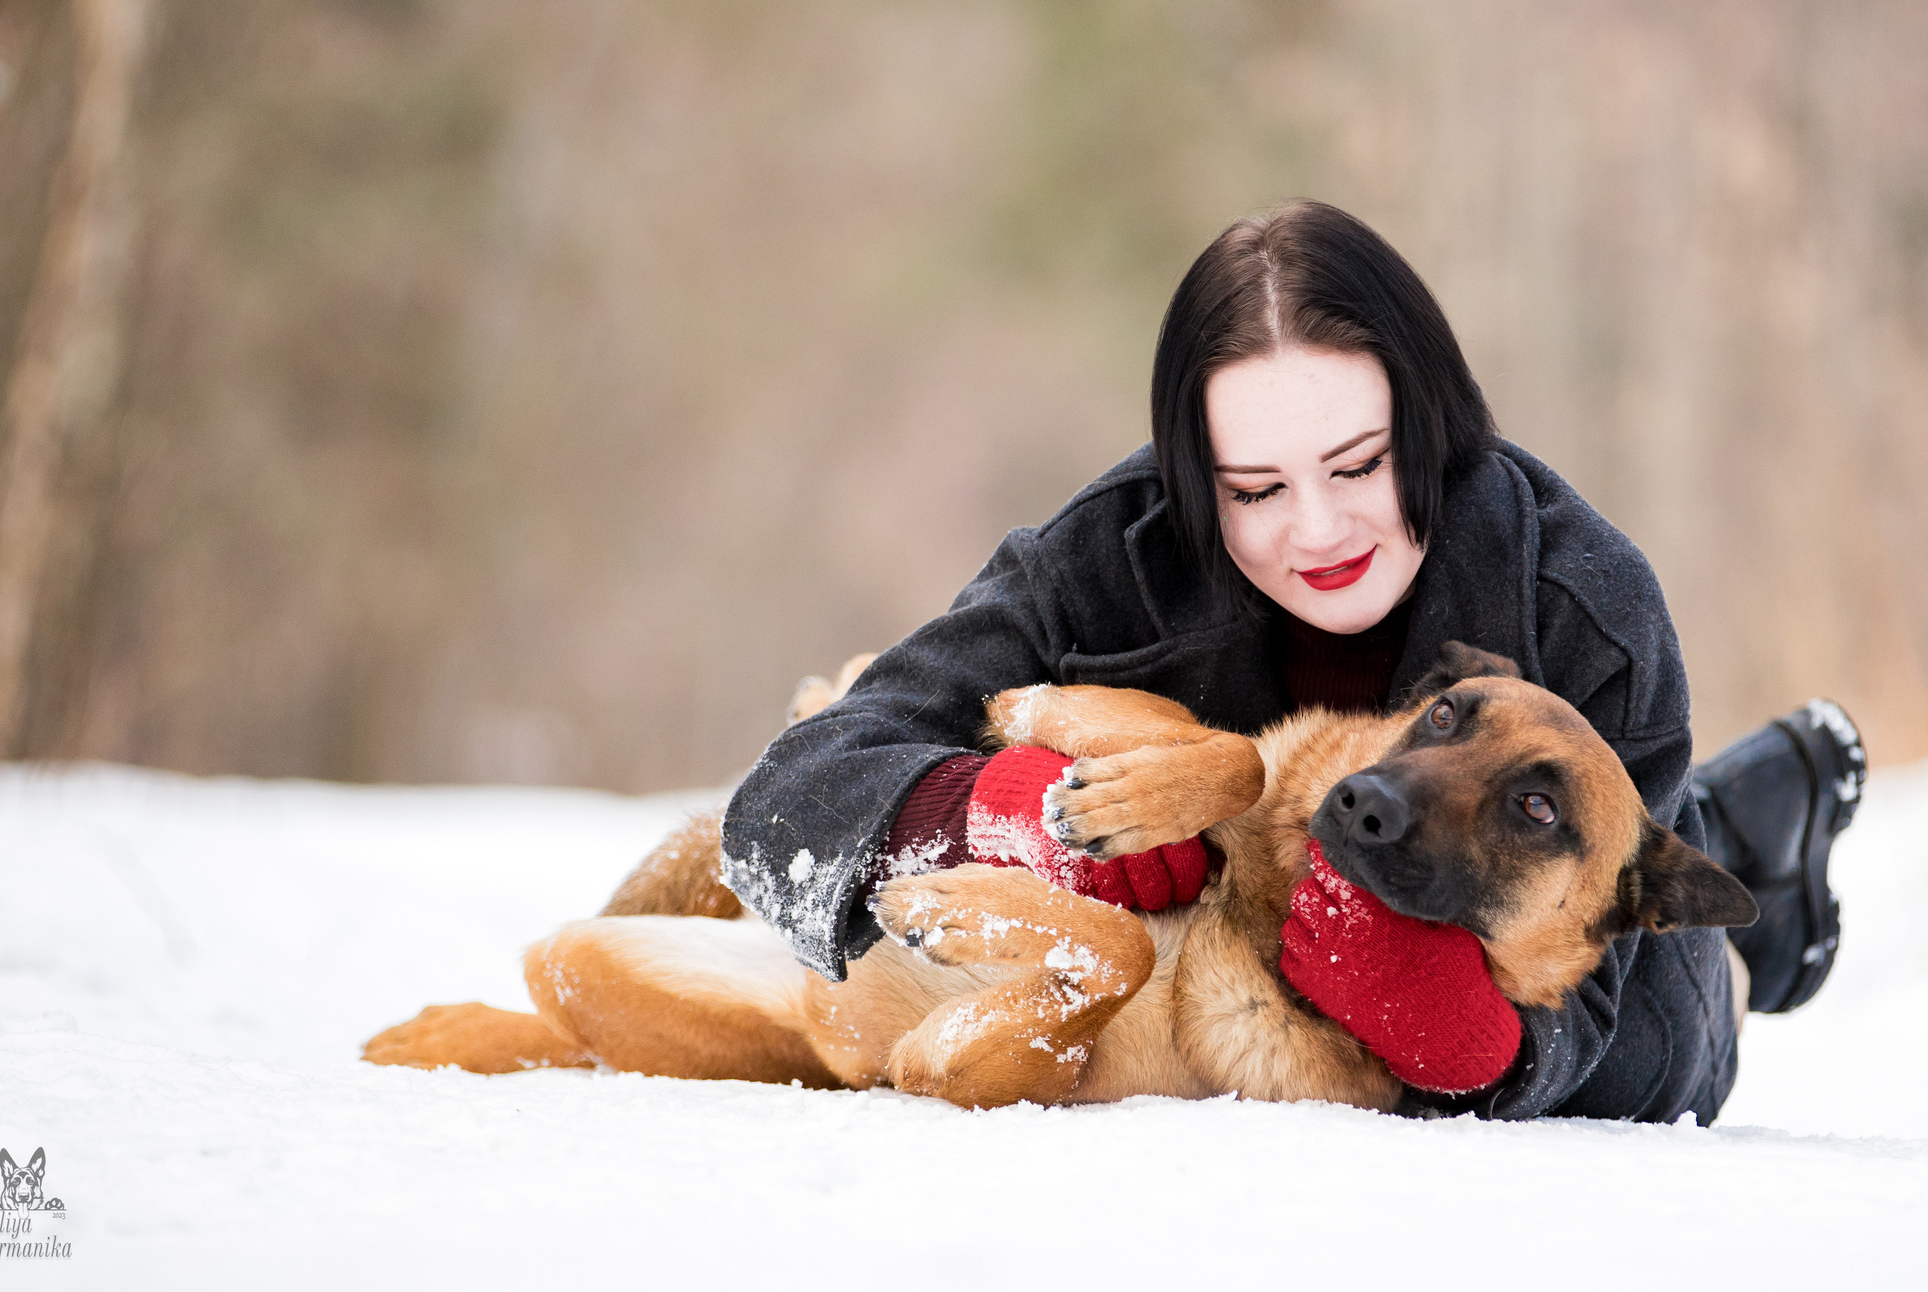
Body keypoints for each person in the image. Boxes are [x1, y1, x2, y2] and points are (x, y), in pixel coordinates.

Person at [723, 200, 1862, 1122]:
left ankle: (1750, 861)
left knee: (1698, 1000)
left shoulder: (1583, 605)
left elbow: (1598, 998)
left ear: (1431, 426)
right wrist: (1004, 811)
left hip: (1579, 901)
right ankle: (1744, 818)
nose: (1316, 531)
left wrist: (1472, 1045)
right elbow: (782, 808)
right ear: (1190, 475)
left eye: (1359, 464)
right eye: (1254, 491)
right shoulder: (1098, 559)